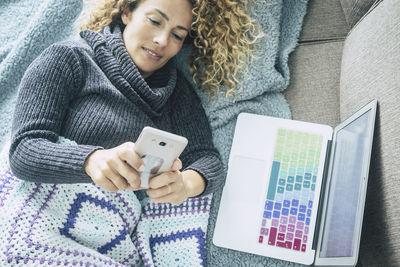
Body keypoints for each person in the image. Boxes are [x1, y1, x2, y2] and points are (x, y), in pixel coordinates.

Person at [4, 0, 262, 264]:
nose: (162, 40)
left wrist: (185, 185)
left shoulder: (177, 95)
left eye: (177, 34)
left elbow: (207, 160)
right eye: (155, 21)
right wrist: (90, 161)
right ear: (126, 12)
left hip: (112, 241)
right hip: (38, 223)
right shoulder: (70, 58)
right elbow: (24, 151)